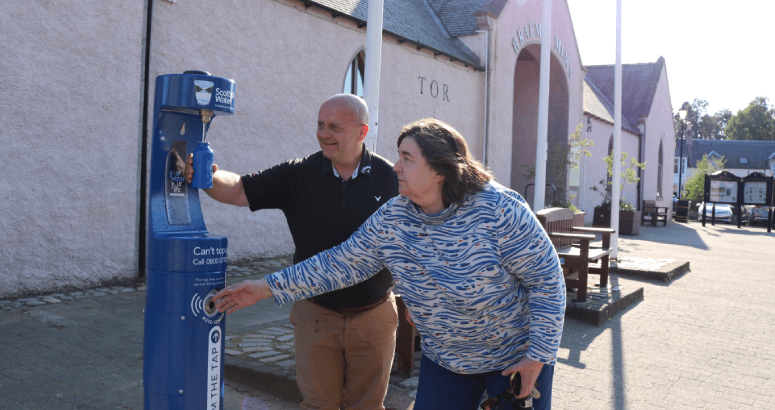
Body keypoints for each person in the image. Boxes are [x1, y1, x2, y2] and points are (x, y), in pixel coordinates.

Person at [213, 118, 566, 410]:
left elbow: (548, 282)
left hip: (513, 360)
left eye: (407, 158)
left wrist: (539, 356)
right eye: (398, 156)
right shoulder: (394, 217)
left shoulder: (499, 210)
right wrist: (265, 287)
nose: (396, 165)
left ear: (440, 170)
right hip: (445, 362)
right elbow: (339, 264)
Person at [186, 94, 400, 410]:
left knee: (367, 406)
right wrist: (207, 176)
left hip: (374, 314)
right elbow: (239, 189)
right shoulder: (299, 173)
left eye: (334, 127)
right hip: (316, 315)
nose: (323, 133)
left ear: (362, 132)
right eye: (320, 125)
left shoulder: (391, 178)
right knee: (317, 405)